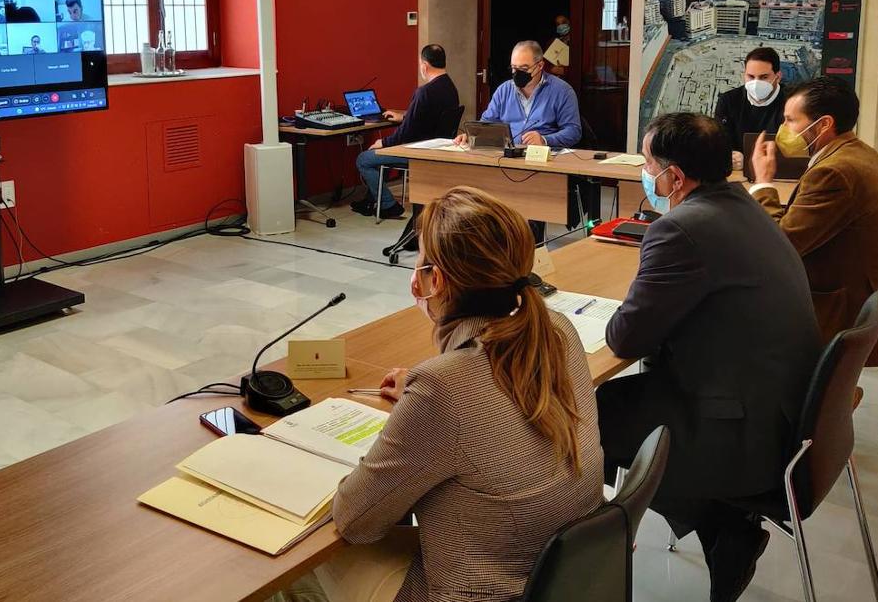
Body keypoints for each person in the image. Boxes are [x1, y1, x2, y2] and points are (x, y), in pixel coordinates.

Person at [310, 185, 602, 602]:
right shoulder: (557, 329)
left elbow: (357, 521)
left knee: (302, 567)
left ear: (433, 281)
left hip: (483, 588)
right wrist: (424, 402)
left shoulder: (443, 389)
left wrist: (428, 404)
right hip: (563, 577)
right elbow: (500, 408)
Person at [597, 112, 820, 602]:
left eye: (647, 163)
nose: (644, 173)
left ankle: (584, 560)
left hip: (739, 432)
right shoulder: (743, 207)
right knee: (625, 399)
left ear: (674, 177)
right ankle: (721, 526)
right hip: (781, 414)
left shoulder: (681, 230)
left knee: (579, 415)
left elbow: (624, 338)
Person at [750, 76, 878, 368]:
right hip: (873, 300)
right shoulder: (858, 153)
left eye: (790, 121)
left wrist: (763, 184)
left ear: (823, 124)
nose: (783, 131)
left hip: (851, 315)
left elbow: (781, 244)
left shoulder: (835, 173)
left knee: (733, 313)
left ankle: (781, 406)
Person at [351, 44, 460, 219]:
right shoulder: (450, 88)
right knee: (380, 156)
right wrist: (403, 117)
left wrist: (383, 143)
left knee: (364, 158)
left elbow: (405, 134)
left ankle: (388, 205)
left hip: (418, 151)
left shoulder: (424, 92)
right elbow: (425, 118)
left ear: (424, 65)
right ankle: (372, 199)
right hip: (437, 147)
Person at [456, 40, 581, 149]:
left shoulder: (562, 91)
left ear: (540, 66)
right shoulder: (504, 90)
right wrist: (471, 135)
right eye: (514, 68)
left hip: (543, 159)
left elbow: (573, 131)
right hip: (506, 157)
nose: (517, 73)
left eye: (524, 69)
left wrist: (545, 140)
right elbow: (486, 124)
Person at [714, 46, 788, 168]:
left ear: (778, 77)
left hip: (779, 173)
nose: (756, 82)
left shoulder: (792, 103)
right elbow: (720, 142)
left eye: (764, 77)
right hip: (738, 173)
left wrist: (749, 160)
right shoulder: (728, 101)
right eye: (751, 77)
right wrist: (731, 156)